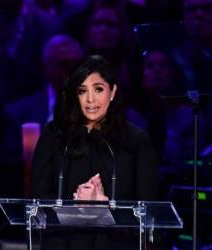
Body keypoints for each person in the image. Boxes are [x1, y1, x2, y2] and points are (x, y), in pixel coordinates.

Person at [31, 55, 158, 250]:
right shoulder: (54, 136)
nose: (90, 99)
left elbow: (147, 210)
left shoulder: (136, 141)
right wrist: (76, 207)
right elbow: (38, 201)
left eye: (98, 89)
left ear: (113, 92)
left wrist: (105, 206)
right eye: (82, 91)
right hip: (63, 244)